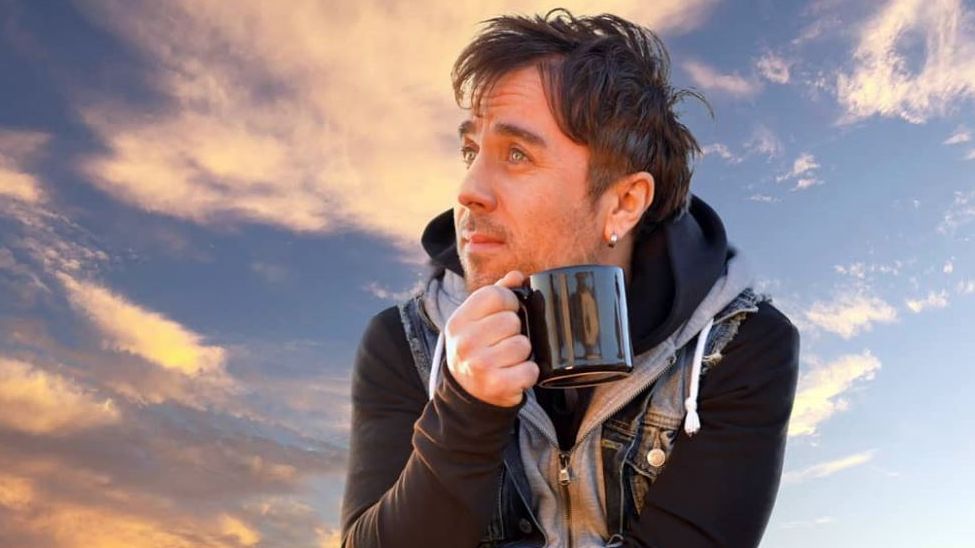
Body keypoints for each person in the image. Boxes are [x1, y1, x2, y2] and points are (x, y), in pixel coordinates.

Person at [340, 9, 800, 548]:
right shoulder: (407, 343)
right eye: (470, 152)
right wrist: (466, 408)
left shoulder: (738, 347)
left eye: (516, 154)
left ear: (624, 203)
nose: (468, 190)